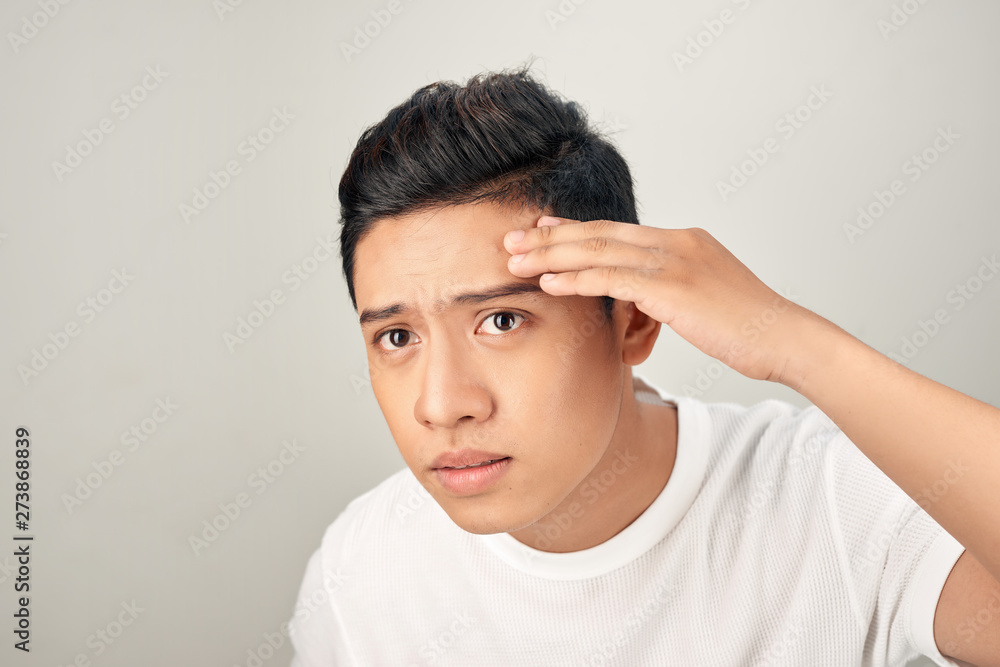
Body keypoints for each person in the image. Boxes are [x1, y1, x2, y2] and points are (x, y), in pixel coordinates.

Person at [285, 63, 1000, 666]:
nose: (442, 404)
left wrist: (791, 340)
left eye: (502, 320)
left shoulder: (831, 500)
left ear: (631, 320)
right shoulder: (361, 568)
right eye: (397, 337)